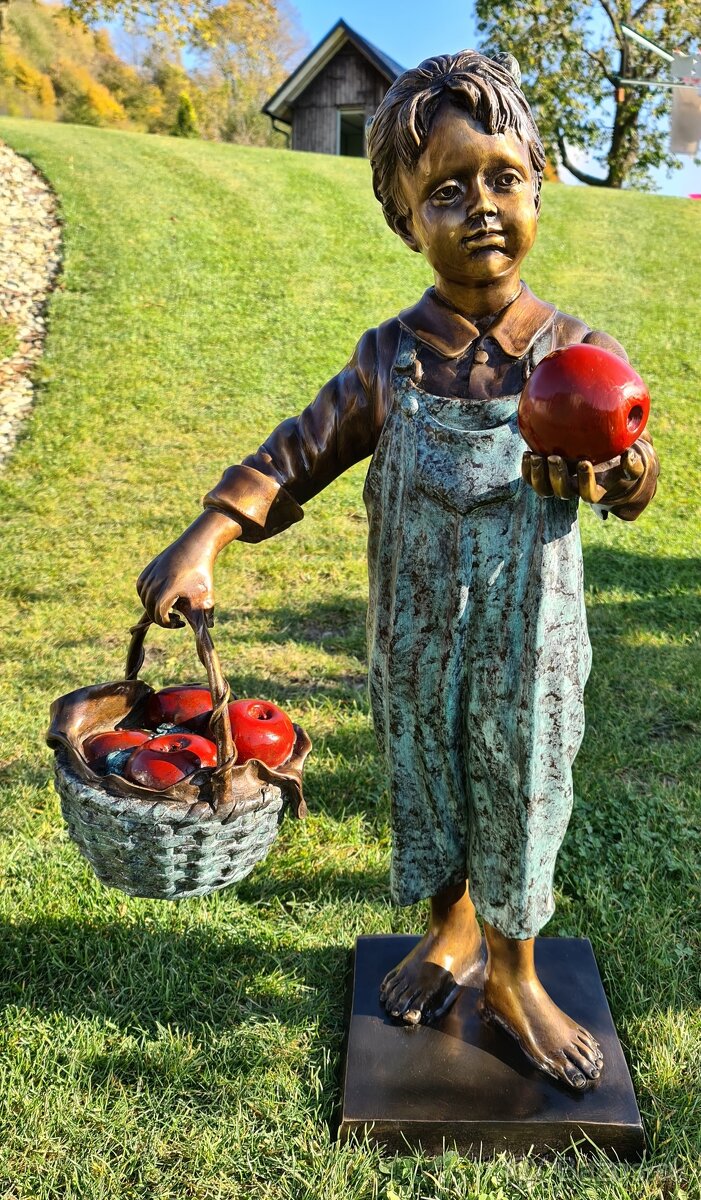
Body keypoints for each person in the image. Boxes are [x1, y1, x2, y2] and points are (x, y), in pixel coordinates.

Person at [137, 51, 658, 1091]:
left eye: (502, 178)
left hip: (527, 642)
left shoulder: (571, 352)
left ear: (539, 183)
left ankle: (512, 971)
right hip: (413, 634)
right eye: (444, 191)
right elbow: (296, 453)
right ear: (400, 218)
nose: (481, 209)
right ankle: (450, 931)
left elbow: (629, 472)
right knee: (426, 776)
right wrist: (206, 535)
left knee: (517, 781)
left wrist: (613, 477)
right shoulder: (390, 360)